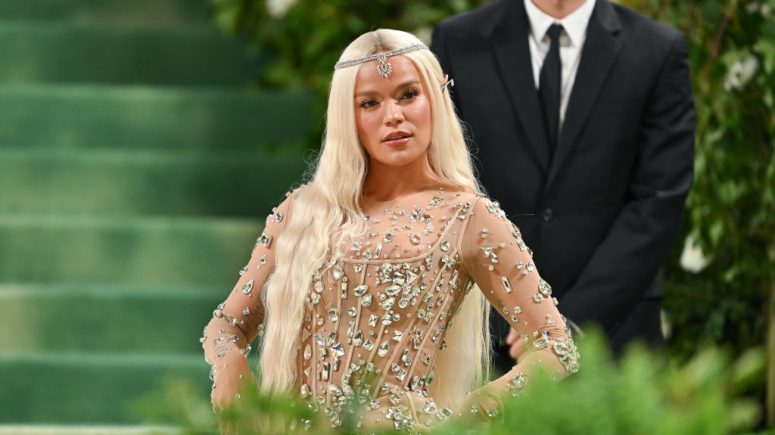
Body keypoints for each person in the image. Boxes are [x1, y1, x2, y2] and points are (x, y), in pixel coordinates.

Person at [201, 28, 579, 433]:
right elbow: (226, 326)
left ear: (435, 98)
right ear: (349, 117)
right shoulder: (303, 212)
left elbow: (557, 346)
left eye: (408, 95)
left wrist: (477, 407)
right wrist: (229, 367)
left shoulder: (470, 218)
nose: (393, 116)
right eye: (370, 103)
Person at [431, 0, 695, 370]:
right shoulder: (457, 41)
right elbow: (440, 181)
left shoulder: (657, 50)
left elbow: (658, 202)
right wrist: (518, 307)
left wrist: (566, 324)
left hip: (616, 338)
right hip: (489, 338)